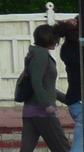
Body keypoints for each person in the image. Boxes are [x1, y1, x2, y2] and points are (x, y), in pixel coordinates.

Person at [24, 24, 70, 152]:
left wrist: (67, 99)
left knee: (26, 149)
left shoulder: (34, 54)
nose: (57, 41)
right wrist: (46, 104)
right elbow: (36, 81)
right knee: (62, 147)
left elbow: (46, 86)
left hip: (30, 109)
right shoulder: (41, 55)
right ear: (48, 38)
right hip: (43, 111)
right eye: (55, 38)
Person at [62, 19, 83, 152]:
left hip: (75, 101)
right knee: (79, 144)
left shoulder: (67, 48)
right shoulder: (78, 50)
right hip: (80, 101)